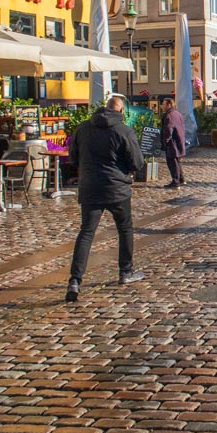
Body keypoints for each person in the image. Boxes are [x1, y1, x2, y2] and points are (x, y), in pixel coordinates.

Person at [65, 95, 145, 303]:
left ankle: (74, 280)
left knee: (86, 233)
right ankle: (125, 271)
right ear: (120, 111)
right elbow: (137, 162)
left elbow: (72, 157)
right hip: (116, 188)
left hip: (90, 187)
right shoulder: (124, 131)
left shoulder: (83, 128)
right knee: (125, 229)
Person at [159, 98, 186, 188]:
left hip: (172, 143)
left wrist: (165, 141)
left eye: (164, 104)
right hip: (178, 140)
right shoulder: (178, 114)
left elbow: (168, 130)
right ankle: (181, 179)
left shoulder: (169, 116)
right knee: (177, 161)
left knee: (172, 162)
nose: (162, 106)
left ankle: (175, 182)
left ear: (169, 105)